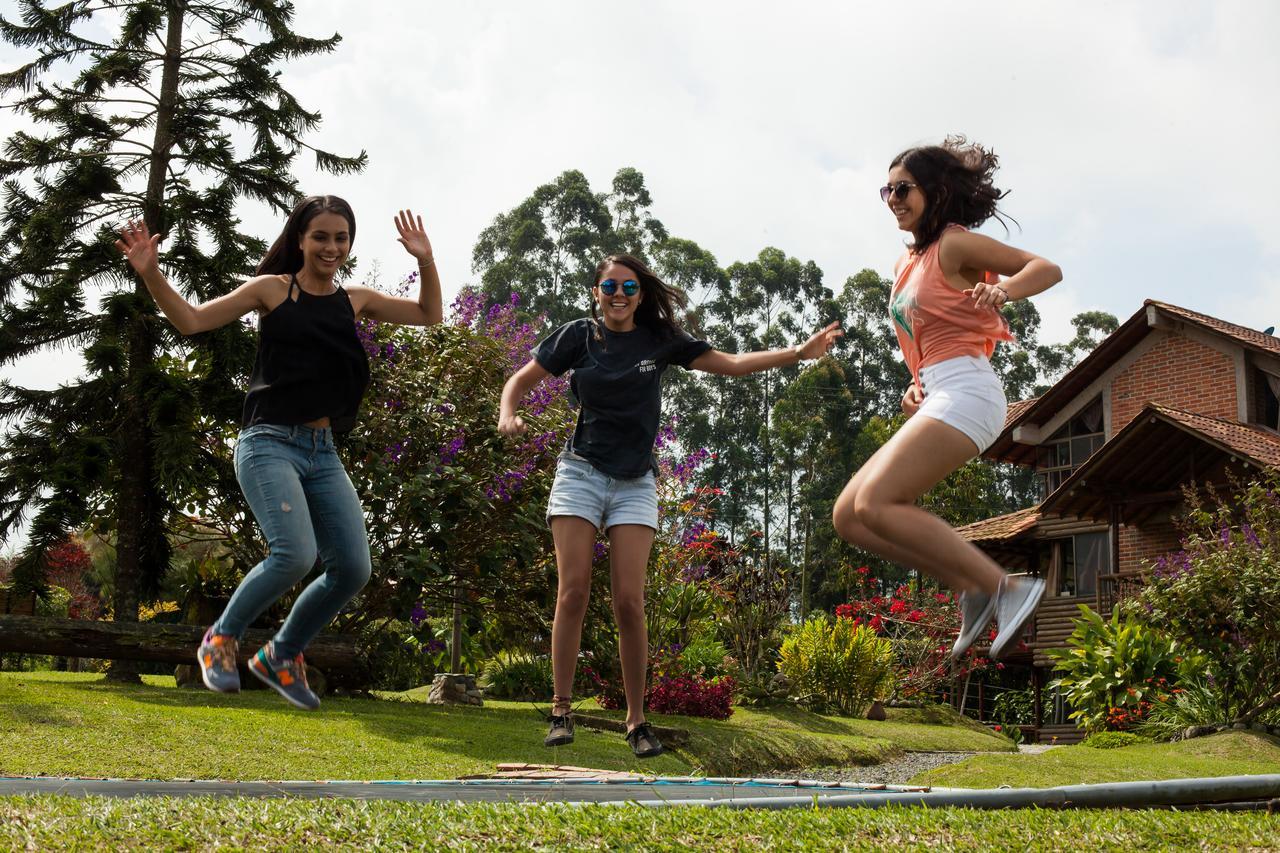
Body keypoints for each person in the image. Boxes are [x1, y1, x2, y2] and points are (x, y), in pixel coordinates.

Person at [498, 253, 841, 757]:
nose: (619, 294)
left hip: (635, 482)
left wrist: (797, 353)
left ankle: (637, 722)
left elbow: (728, 365)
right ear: (596, 291)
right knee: (572, 592)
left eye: (629, 287)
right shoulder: (579, 336)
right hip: (581, 474)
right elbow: (520, 382)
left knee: (629, 603)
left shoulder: (658, 339)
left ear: (640, 293)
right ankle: (561, 710)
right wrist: (509, 413)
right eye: (610, 286)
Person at [116, 196, 442, 709]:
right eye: (320, 237)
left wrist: (424, 258)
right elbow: (192, 321)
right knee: (295, 554)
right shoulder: (271, 290)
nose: (331, 247)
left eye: (340, 237)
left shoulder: (354, 299)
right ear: (299, 239)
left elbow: (429, 314)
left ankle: (281, 654)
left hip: (322, 449)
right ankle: (220, 638)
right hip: (268, 442)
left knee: (354, 569)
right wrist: (152, 274)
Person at [832, 137, 1062, 661]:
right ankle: (974, 584)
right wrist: (917, 384)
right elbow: (923, 337)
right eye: (886, 189)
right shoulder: (904, 265)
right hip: (942, 390)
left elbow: (1045, 267)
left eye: (903, 188)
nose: (893, 197)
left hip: (972, 392)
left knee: (877, 502)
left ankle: (1007, 587)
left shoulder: (954, 244)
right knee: (849, 515)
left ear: (935, 192)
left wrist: (1004, 291)